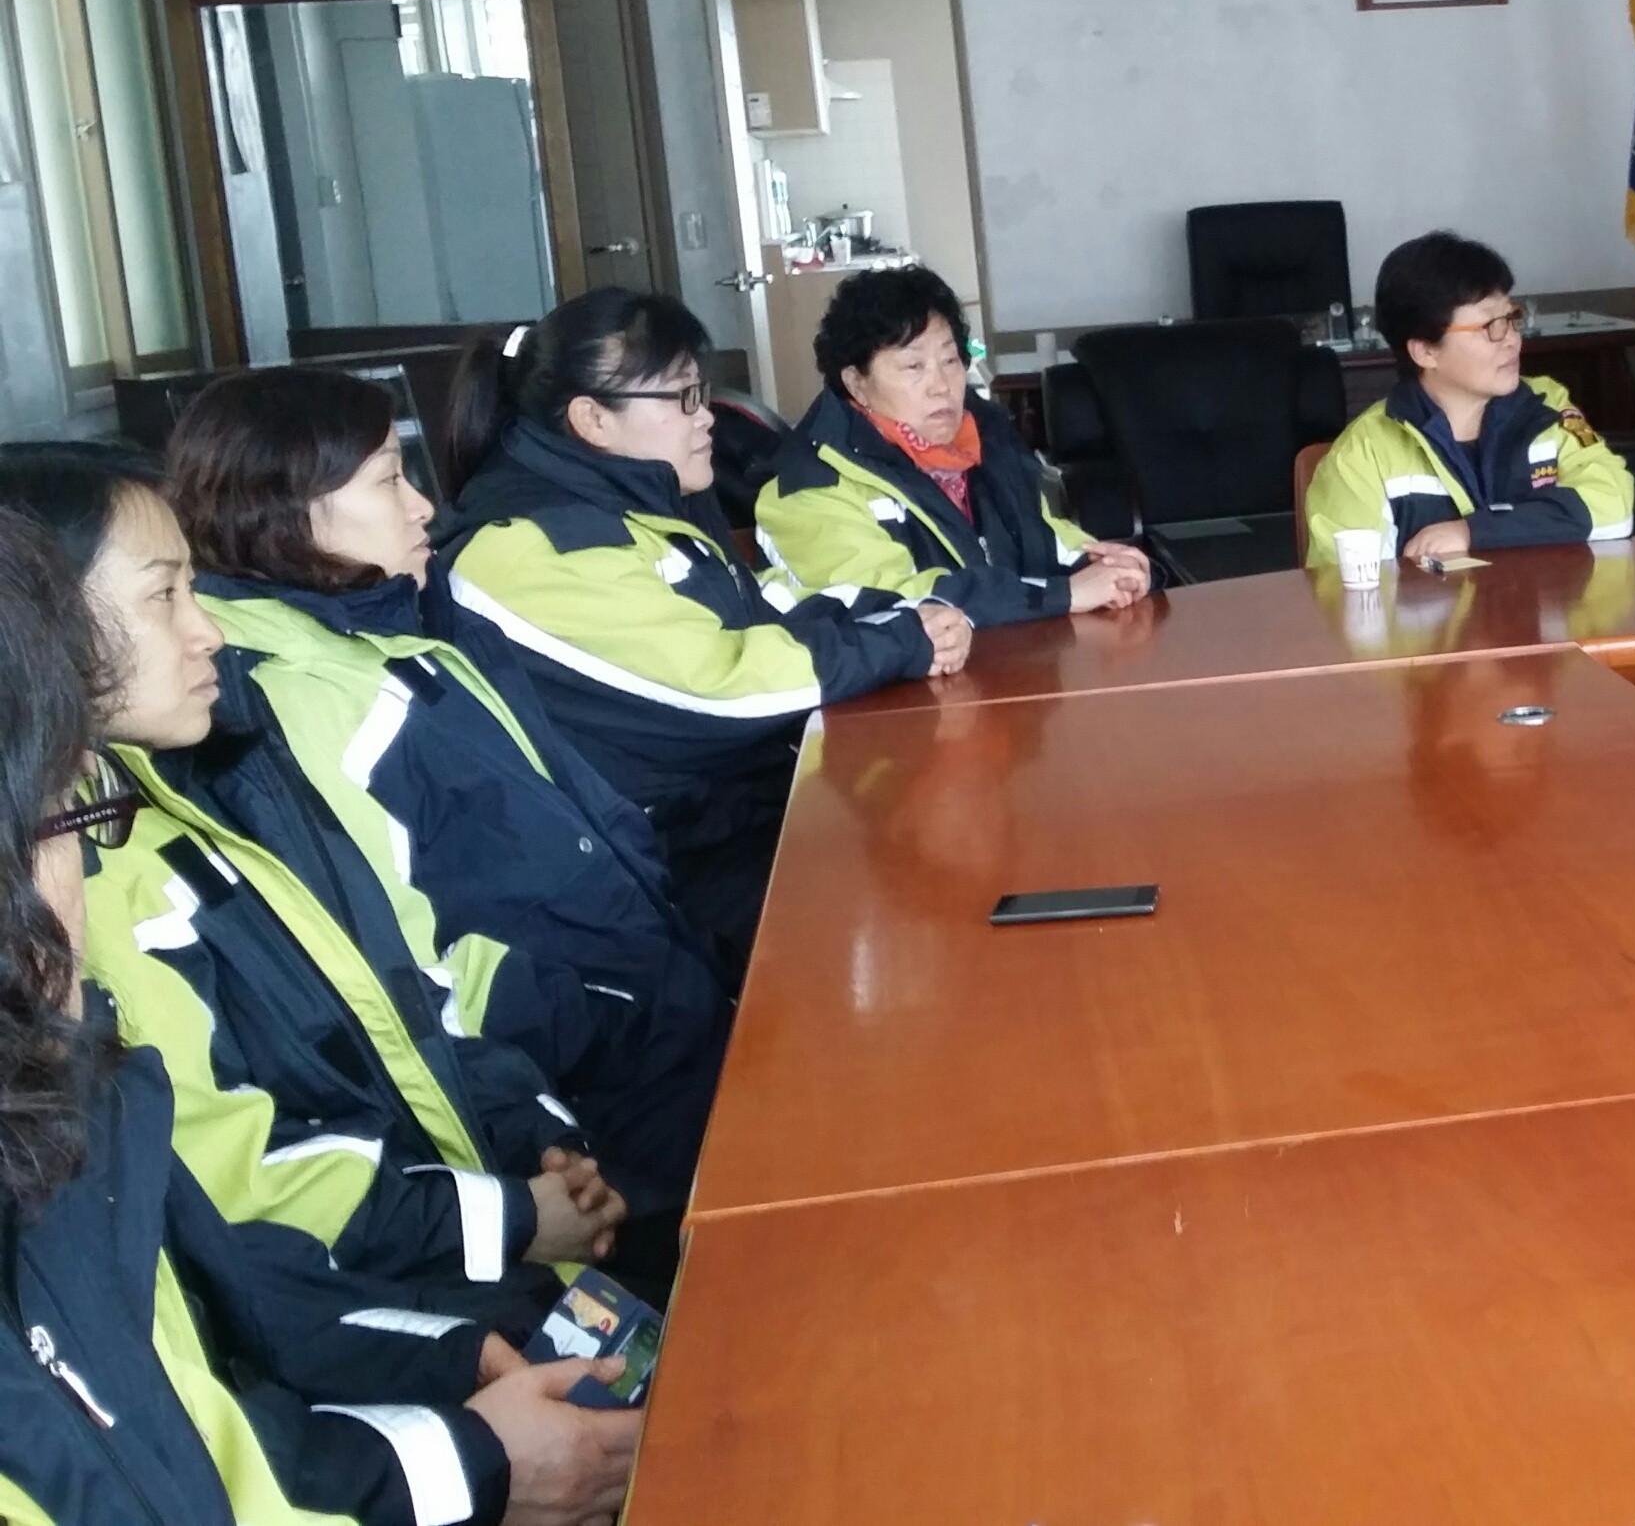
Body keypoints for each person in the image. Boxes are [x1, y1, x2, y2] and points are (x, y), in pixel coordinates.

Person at [0, 508, 641, 1526]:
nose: (206, 631)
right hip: (408, 1254)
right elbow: (253, 1199)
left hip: (427, 1255)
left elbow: (406, 998)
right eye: (163, 594)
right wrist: (508, 1231)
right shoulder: (116, 906)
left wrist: (529, 1160)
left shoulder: (192, 795)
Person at [166, 369, 730, 1294]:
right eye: (388, 481)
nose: (423, 505)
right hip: (586, 1092)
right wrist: (607, 1020)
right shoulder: (297, 701)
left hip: (649, 1029)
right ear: (285, 512)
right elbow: (410, 973)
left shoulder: (391, 630)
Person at [435, 288, 965, 965]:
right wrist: (902, 642)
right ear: (592, 419)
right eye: (683, 397)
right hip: (650, 877)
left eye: (701, 391)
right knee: (920, 902)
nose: (707, 417)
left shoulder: (644, 508)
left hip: (730, 814)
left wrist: (894, 622)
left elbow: (760, 619)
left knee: (942, 830)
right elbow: (720, 684)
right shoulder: (529, 548)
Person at [754, 264, 1148, 625]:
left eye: (951, 361)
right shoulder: (806, 488)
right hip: (912, 681)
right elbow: (889, 605)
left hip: (1016, 660)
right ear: (857, 383)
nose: (941, 386)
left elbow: (1043, 536)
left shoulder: (984, 442)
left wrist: (1100, 562)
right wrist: (1061, 595)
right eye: (914, 366)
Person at [1304, 231, 1635, 565]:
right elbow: (1348, 586)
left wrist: (1474, 532)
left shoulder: (1547, 406)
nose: (1512, 340)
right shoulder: (1363, 455)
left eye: (1511, 319)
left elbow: (1614, 505)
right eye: (1490, 326)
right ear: (1426, 351)